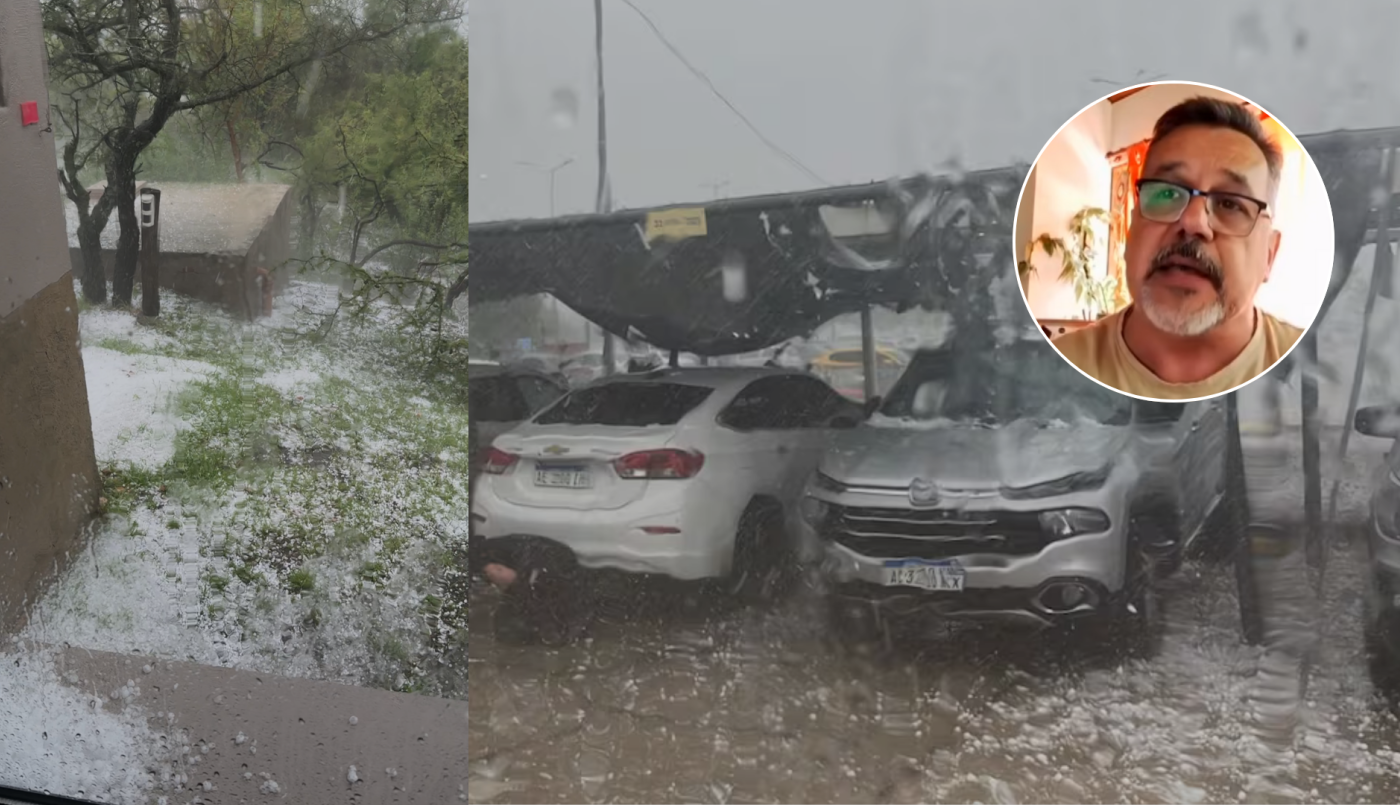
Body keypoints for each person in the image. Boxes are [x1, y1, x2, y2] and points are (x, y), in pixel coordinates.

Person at [1052, 96, 1303, 399]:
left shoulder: (1318, 377)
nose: (1193, 221)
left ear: (1269, 255)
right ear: (1131, 230)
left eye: (1229, 203)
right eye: (1167, 193)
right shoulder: (1051, 377)